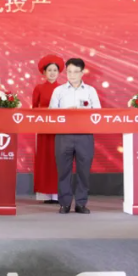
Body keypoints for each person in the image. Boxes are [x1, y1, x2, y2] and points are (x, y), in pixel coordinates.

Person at [48, 58, 101, 214]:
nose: (72, 75)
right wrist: (66, 112)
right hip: (63, 135)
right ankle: (64, 203)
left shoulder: (90, 91)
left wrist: (83, 112)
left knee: (83, 171)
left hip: (85, 135)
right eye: (69, 72)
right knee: (63, 170)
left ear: (82, 73)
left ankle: (81, 203)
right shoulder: (59, 91)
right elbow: (51, 113)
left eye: (75, 72)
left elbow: (98, 112)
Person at [32, 54, 65, 204]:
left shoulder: (64, 89)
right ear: (44, 72)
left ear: (59, 73)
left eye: (55, 70)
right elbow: (34, 109)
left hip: (59, 129)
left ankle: (58, 194)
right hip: (44, 129)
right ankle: (45, 194)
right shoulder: (39, 88)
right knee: (45, 159)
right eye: (49, 70)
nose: (52, 73)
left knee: (59, 159)